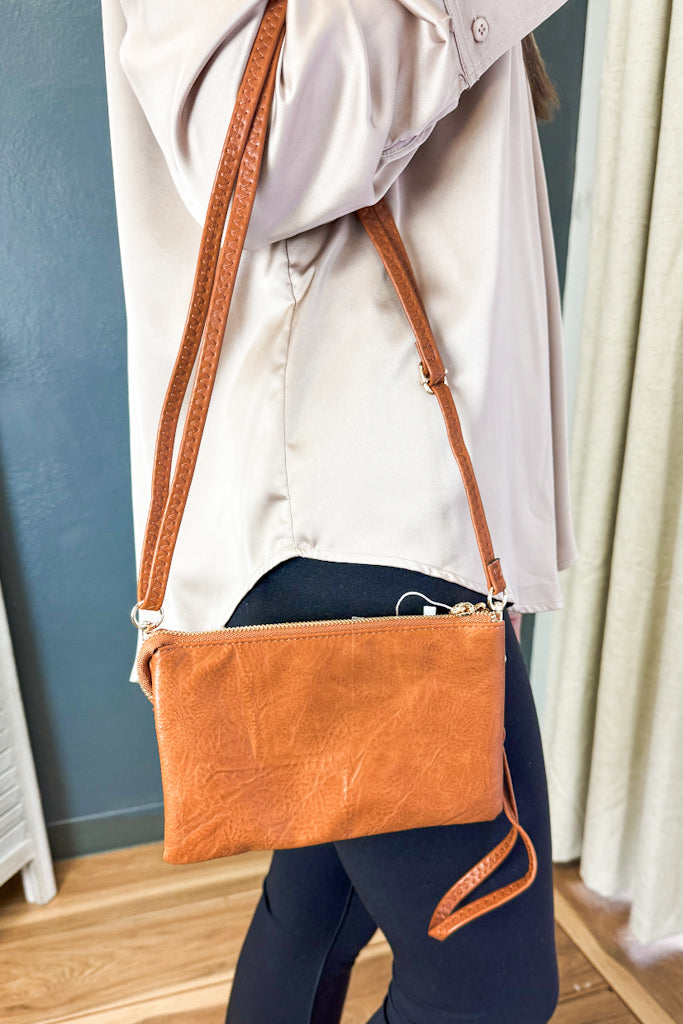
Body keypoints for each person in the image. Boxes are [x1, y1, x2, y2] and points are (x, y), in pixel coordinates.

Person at [101, 2, 579, 1021]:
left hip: (356, 488)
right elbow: (261, 144)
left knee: (318, 895)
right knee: (487, 993)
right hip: (344, 494)